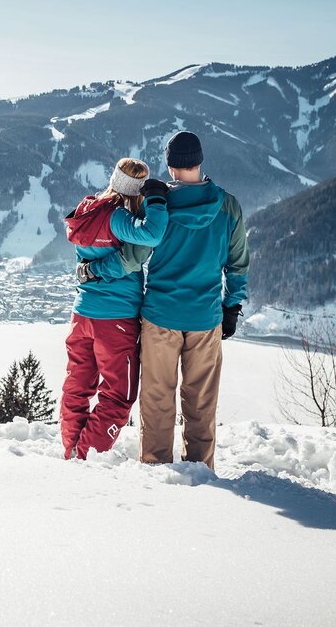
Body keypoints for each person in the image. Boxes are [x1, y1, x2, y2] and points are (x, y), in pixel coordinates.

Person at [131, 131, 248, 470]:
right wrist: (231, 307)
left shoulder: (159, 204)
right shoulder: (227, 205)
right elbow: (238, 264)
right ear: (199, 162)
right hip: (205, 318)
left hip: (160, 317)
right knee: (201, 403)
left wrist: (94, 268)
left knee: (157, 400)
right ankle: (200, 474)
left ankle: (155, 471)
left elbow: (135, 257)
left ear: (170, 165)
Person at [59, 158, 169, 460]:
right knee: (119, 395)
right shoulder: (118, 217)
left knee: (77, 386)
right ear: (136, 190)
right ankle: (86, 456)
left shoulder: (88, 210)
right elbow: (153, 234)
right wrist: (156, 200)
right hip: (116, 319)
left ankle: (71, 451)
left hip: (82, 314)